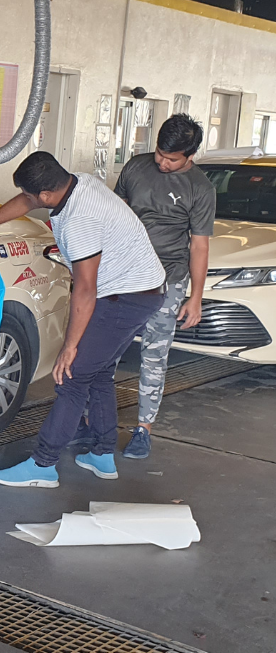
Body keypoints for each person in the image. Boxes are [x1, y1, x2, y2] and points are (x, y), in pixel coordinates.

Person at [0, 152, 166, 487]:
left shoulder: (80, 220)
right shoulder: (77, 182)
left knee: (71, 375)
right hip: (139, 289)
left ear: (46, 195)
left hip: (126, 296)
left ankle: (43, 464)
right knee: (97, 371)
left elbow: (85, 289)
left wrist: (69, 347)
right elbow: (26, 201)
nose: (25, 199)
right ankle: (102, 454)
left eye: (29, 194)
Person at [111, 114, 216, 459]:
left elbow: (199, 246)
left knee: (154, 354)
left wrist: (195, 297)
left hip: (167, 279)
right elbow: (117, 215)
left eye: (171, 159)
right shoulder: (135, 167)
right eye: (159, 153)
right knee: (107, 349)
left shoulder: (200, 188)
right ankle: (93, 419)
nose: (162, 162)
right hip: (125, 274)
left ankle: (144, 429)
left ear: (190, 155)